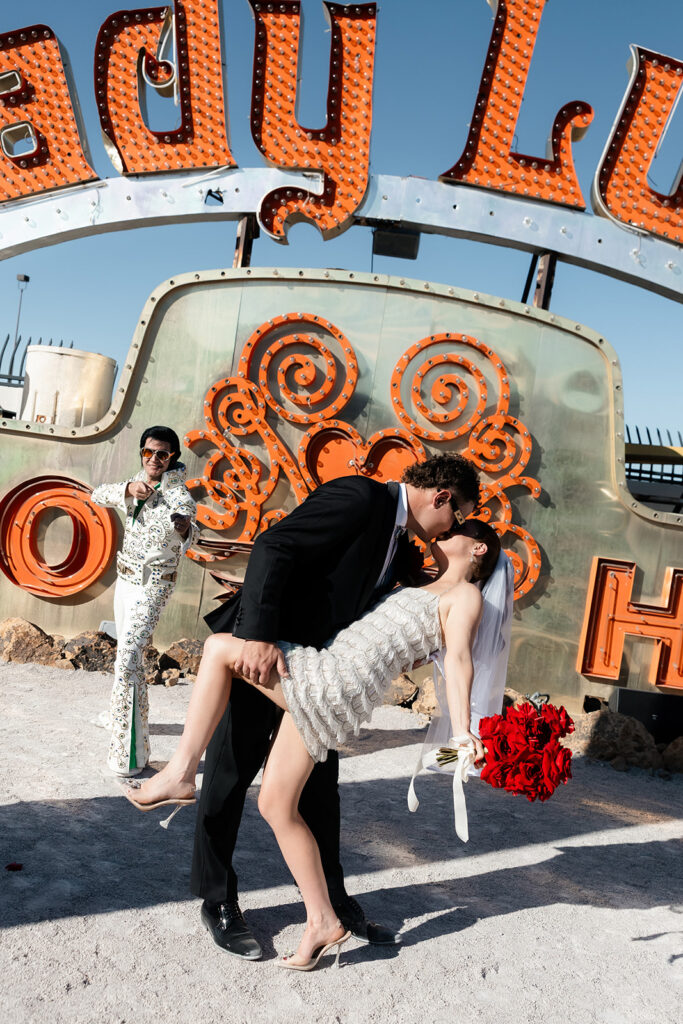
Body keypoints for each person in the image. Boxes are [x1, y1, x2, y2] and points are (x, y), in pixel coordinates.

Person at [134, 455, 480, 956]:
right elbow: (275, 546)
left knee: (320, 792)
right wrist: (256, 637)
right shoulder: (362, 497)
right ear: (441, 497)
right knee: (231, 774)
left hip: (324, 672)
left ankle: (331, 904)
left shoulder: (400, 541)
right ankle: (219, 900)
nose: (451, 529)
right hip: (269, 652)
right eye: (457, 515)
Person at [91, 426, 198, 776]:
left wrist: (182, 527)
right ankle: (121, 715)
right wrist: (126, 489)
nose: (154, 460)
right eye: (148, 453)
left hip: (153, 587)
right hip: (125, 582)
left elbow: (192, 531)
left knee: (128, 658)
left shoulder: (179, 496)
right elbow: (96, 495)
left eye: (162, 454)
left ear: (173, 459)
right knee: (127, 653)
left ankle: (131, 756)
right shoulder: (137, 483)